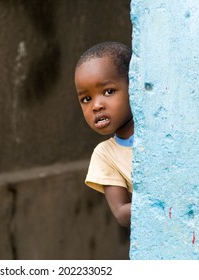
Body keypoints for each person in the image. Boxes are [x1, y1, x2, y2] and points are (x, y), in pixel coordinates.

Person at [74, 42, 133, 228]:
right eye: (86, 99)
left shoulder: (164, 131)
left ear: (134, 86)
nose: (96, 106)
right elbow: (121, 213)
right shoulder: (105, 155)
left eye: (108, 91)